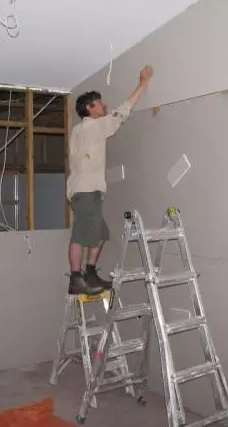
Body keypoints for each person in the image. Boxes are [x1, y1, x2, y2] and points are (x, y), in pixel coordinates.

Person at [66, 65, 155, 295]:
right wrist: (143, 83)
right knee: (81, 235)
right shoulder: (93, 127)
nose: (104, 106)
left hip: (84, 190)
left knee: (100, 234)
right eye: (99, 103)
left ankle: (89, 274)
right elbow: (122, 112)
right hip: (86, 190)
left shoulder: (78, 130)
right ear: (90, 109)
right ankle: (77, 279)